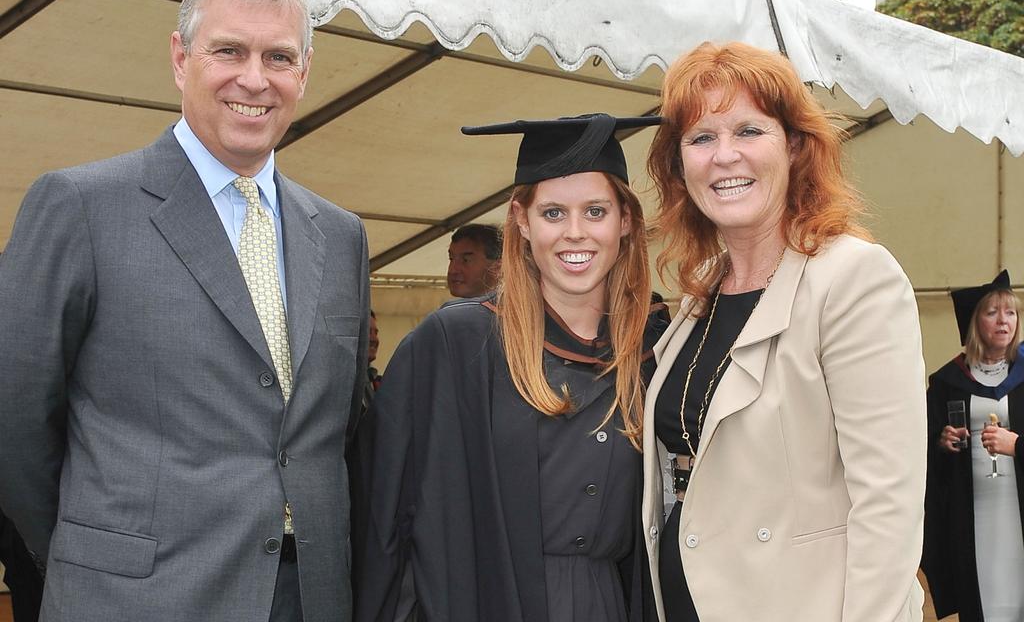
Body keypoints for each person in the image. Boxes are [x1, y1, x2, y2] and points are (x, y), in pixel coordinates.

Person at [0, 0, 369, 622]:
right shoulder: (81, 206)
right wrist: (95, 549)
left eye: (278, 57)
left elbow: (336, 436)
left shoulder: (341, 237)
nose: (254, 78)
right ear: (180, 58)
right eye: (229, 50)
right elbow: (14, 417)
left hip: (306, 599)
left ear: (305, 72)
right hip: (134, 599)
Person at [642, 41, 926, 622]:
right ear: (679, 164)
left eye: (749, 131)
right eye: (701, 138)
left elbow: (888, 503)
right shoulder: (702, 285)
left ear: (795, 146)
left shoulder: (852, 277)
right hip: (687, 597)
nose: (725, 157)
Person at [353, 113, 665, 622]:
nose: (575, 234)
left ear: (625, 221)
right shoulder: (458, 344)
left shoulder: (651, 353)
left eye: (595, 211)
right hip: (483, 599)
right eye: (553, 214)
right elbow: (383, 509)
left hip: (608, 603)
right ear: (521, 220)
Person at [922, 270, 1024, 622]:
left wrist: (1017, 446)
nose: (1003, 321)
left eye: (1010, 312)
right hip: (973, 512)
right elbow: (923, 449)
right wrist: (942, 443)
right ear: (973, 322)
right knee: (983, 599)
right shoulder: (948, 382)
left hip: (1018, 508)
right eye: (992, 312)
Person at [446, 223, 501, 298]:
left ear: (498, 266)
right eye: (451, 259)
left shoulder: (517, 307)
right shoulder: (450, 308)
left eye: (466, 260)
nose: (452, 270)